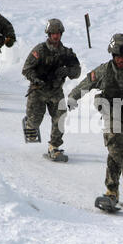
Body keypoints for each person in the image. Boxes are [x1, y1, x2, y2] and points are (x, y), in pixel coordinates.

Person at [68, 33, 123, 208]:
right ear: (113, 56)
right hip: (113, 116)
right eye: (117, 57)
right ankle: (111, 192)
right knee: (116, 154)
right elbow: (86, 83)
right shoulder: (104, 71)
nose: (121, 60)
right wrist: (73, 97)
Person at [22, 18, 81, 161]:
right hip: (38, 90)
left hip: (55, 91)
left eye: (58, 33)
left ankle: (54, 147)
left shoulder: (66, 53)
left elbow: (77, 71)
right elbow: (26, 69)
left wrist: (67, 71)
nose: (56, 36)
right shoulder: (39, 50)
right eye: (53, 33)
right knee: (34, 123)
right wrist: (35, 79)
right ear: (48, 34)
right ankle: (29, 123)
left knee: (60, 117)